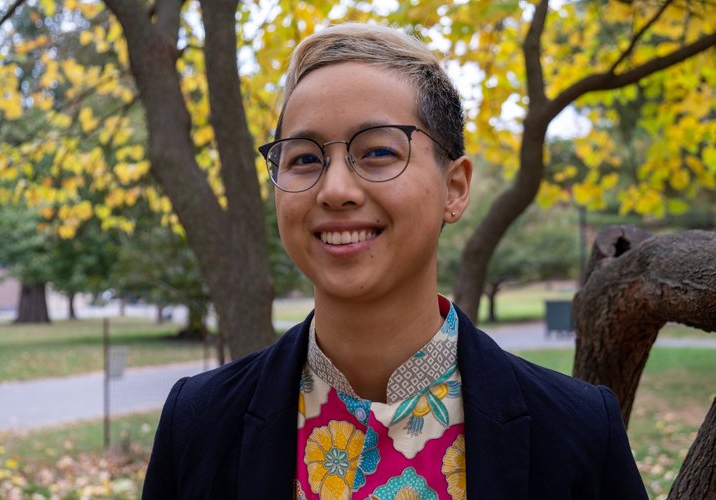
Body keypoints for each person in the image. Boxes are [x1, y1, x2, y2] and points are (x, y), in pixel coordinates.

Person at [142, 23, 646, 499]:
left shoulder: (578, 431)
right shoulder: (198, 425)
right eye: (304, 158)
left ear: (455, 187)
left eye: (378, 152)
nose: (335, 189)